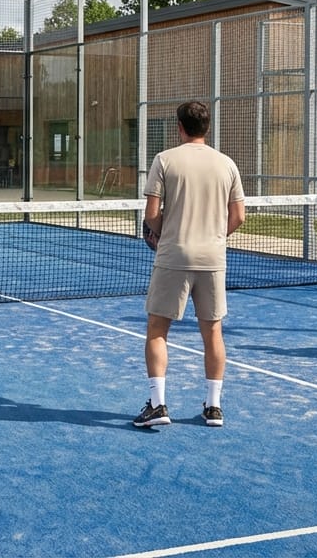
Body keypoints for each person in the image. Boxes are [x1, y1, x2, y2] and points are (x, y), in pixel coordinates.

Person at [134, 101, 245, 428]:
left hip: (173, 255)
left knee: (157, 330)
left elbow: (151, 215)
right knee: (213, 332)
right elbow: (238, 216)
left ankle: (158, 405)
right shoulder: (227, 164)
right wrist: (212, 236)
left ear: (179, 127)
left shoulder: (164, 160)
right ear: (206, 128)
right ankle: (213, 408)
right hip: (213, 258)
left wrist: (162, 234)